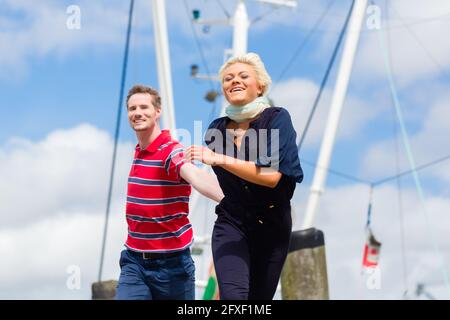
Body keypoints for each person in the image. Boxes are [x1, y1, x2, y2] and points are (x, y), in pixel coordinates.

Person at [185, 52, 303, 300]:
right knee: (234, 298)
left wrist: (218, 158)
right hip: (232, 222)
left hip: (273, 225)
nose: (234, 81)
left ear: (260, 86)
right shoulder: (215, 129)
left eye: (242, 76)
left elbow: (271, 176)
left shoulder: (277, 119)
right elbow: (226, 185)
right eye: (228, 78)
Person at [116, 84, 224, 300]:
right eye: (132, 108)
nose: (137, 113)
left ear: (157, 112)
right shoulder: (140, 150)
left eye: (144, 107)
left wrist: (231, 200)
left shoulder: (169, 150)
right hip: (134, 261)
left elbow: (194, 174)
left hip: (172, 266)